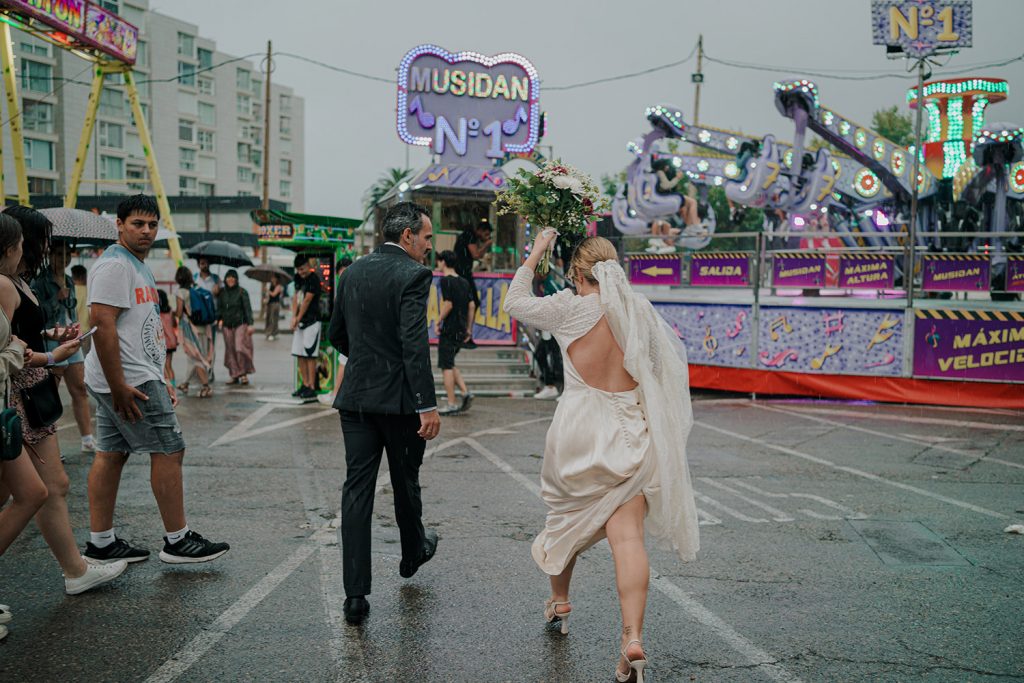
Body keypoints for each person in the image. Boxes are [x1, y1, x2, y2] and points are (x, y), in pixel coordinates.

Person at [504, 230, 699, 683]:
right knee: (627, 538)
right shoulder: (638, 311)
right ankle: (632, 638)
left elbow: (515, 302)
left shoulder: (569, 308)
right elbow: (656, 372)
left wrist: (535, 251)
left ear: (576, 272)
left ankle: (560, 601)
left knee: (564, 518)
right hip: (628, 430)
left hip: (577, 431)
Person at [83, 195, 229, 566]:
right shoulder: (115, 266)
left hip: (135, 376)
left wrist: (162, 375)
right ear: (119, 224)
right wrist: (119, 385)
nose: (146, 231)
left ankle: (101, 543)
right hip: (127, 380)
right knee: (169, 449)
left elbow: (141, 328)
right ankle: (177, 540)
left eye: (152, 225)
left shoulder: (135, 264)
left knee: (112, 454)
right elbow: (101, 325)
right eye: (137, 224)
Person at [0, 205, 128, 594]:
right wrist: (50, 356)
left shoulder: (16, 281)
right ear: (13, 244)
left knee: (45, 488)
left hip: (28, 393)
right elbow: (9, 350)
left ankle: (75, 568)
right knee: (41, 489)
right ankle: (75, 570)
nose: (36, 248)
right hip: (20, 398)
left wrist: (53, 335)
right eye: (31, 241)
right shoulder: (5, 285)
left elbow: (19, 336)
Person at [328, 201, 441, 625]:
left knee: (356, 491)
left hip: (355, 398)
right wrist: (426, 405)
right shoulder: (413, 275)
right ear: (408, 236)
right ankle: (413, 551)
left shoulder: (352, 271)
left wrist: (366, 363)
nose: (429, 246)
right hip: (398, 403)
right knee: (405, 479)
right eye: (427, 237)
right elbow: (414, 343)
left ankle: (355, 596)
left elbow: (336, 333)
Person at [32, 241, 95, 452]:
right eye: (59, 254)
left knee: (80, 389)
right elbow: (38, 315)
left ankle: (87, 439)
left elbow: (71, 310)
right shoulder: (40, 281)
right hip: (51, 339)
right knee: (51, 393)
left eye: (67, 254)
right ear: (50, 255)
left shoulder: (68, 279)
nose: (64, 258)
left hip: (70, 338)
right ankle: (49, 447)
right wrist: (55, 298)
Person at [435, 250, 473, 415]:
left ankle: (451, 403)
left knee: (446, 365)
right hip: (461, 328)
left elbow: (448, 304)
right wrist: (469, 328)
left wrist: (438, 320)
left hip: (449, 328)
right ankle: (465, 392)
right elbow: (471, 305)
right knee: (450, 362)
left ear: (443, 262)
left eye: (438, 261)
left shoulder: (445, 280)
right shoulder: (464, 282)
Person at [173, 268, 213, 398]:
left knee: (196, 358)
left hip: (190, 330)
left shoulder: (181, 292)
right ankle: (185, 383)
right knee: (193, 357)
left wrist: (172, 313)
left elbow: (179, 313)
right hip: (203, 328)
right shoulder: (195, 289)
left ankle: (206, 387)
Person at [453, 221, 492, 348]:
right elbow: (476, 255)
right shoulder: (469, 235)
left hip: (462, 273)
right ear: (480, 230)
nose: (486, 236)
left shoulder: (467, 235)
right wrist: (487, 244)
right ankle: (464, 335)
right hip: (463, 274)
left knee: (468, 304)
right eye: (486, 233)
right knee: (471, 303)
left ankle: (463, 335)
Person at [290, 253, 322, 400]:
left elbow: (307, 301)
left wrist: (297, 317)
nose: (301, 272)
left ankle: (311, 386)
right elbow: (296, 298)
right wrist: (293, 317)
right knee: (299, 354)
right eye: (298, 270)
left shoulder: (314, 279)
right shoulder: (297, 278)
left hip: (312, 321)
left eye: (303, 269)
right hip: (300, 322)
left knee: (310, 355)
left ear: (309, 266)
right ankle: (304, 384)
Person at [216, 269, 254, 386]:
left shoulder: (242, 292)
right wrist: (219, 320)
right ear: (225, 279)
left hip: (240, 324)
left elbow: (247, 309)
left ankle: (243, 374)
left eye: (233, 277)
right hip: (227, 325)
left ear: (236, 279)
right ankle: (234, 374)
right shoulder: (222, 293)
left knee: (239, 348)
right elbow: (220, 308)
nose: (230, 279)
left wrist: (250, 323)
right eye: (228, 277)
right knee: (230, 351)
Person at [194, 258, 220, 374]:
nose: (203, 264)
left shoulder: (216, 279)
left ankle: (210, 369)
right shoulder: (194, 278)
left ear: (209, 264)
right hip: (198, 317)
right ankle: (201, 369)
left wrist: (218, 291)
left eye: (205, 262)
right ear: (198, 264)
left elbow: (222, 297)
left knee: (211, 345)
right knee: (199, 345)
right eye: (201, 262)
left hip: (211, 317)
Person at [158, 289, 177, 387]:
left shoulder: (157, 312)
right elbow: (174, 324)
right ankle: (173, 385)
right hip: (172, 341)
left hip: (164, 342)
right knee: (169, 366)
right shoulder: (170, 311)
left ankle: (169, 387)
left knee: (164, 367)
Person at [71, 264, 90, 353]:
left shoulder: (71, 291)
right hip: (87, 331)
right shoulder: (89, 291)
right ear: (83, 276)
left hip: (74, 332)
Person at [264, 273, 284, 341]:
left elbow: (273, 294)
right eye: (271, 277)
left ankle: (272, 333)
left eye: (273, 277)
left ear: (276, 278)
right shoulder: (271, 285)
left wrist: (267, 290)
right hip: (270, 304)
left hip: (275, 304)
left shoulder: (278, 286)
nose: (272, 279)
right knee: (269, 318)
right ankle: (268, 332)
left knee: (273, 319)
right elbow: (269, 296)